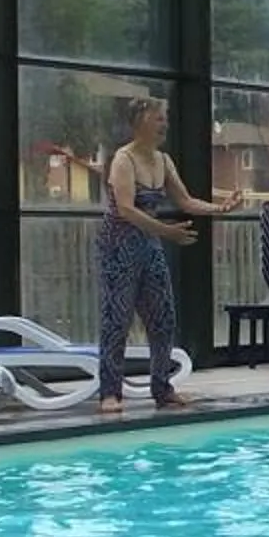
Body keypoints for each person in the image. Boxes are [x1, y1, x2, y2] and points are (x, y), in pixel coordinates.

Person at [97, 97, 238, 415]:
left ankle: (162, 388)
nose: (164, 124)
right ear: (140, 122)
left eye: (165, 118)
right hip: (119, 246)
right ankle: (110, 392)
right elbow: (126, 209)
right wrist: (167, 231)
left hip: (149, 245)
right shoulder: (124, 159)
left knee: (163, 318)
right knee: (116, 319)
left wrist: (220, 208)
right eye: (158, 118)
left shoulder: (163, 161)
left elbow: (186, 201)